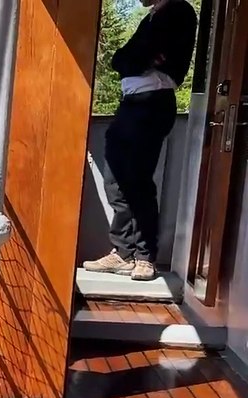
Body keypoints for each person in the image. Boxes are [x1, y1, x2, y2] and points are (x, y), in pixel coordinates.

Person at [84, 0, 197, 282]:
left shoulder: (177, 10)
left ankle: (145, 257)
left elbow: (136, 56)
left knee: (138, 181)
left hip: (152, 104)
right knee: (116, 179)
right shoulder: (152, 17)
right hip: (131, 104)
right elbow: (120, 60)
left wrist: (135, 58)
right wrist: (135, 58)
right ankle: (123, 252)